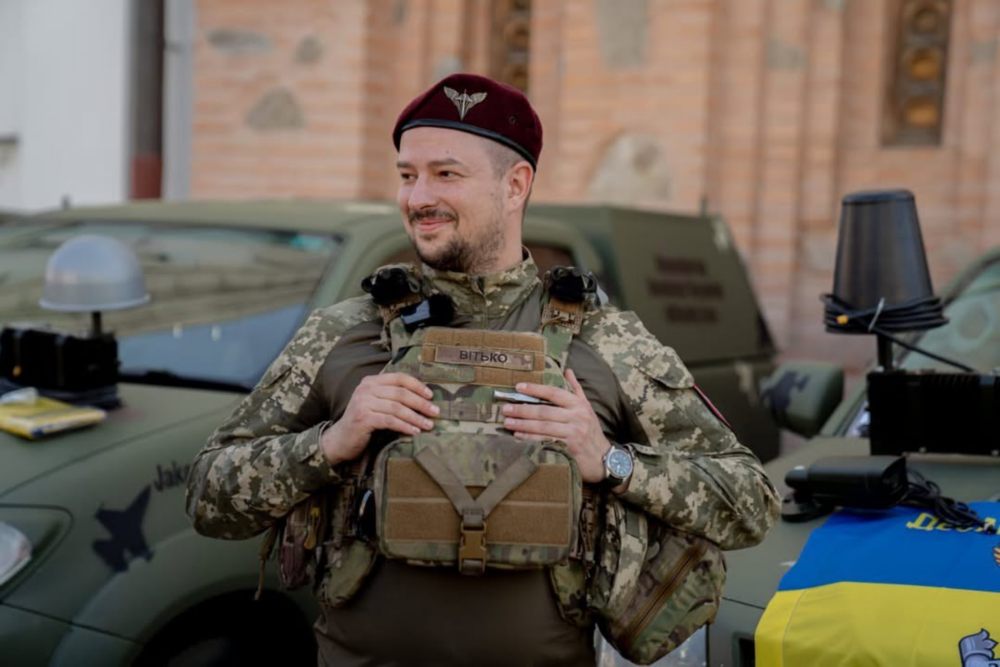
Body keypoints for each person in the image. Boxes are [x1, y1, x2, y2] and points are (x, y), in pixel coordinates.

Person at [186, 72, 780, 666]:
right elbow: (208, 496)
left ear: (515, 184)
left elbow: (750, 503)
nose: (418, 198)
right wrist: (330, 443)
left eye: (446, 174)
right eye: (407, 175)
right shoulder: (342, 332)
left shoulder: (608, 340)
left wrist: (610, 461)